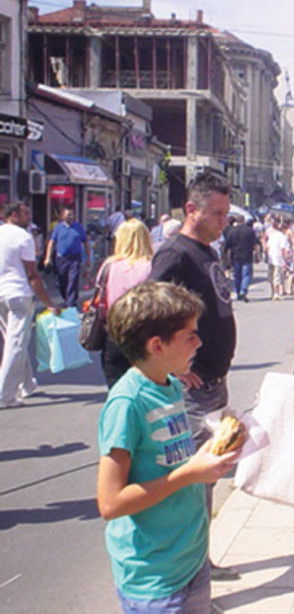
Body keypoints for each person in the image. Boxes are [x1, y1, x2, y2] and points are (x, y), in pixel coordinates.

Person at [97, 281, 239, 612]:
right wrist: (189, 475)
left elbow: (174, 462)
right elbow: (110, 503)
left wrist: (210, 460)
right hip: (155, 579)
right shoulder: (127, 403)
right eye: (189, 335)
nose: (199, 342)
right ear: (157, 345)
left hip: (190, 560)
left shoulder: (172, 384)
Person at [149, 172, 238, 581]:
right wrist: (177, 368)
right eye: (216, 213)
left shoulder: (207, 251)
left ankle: (199, 561)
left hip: (213, 385)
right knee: (192, 482)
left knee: (208, 478)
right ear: (191, 210)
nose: (224, 220)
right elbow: (150, 314)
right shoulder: (175, 254)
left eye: (225, 212)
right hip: (192, 390)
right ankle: (189, 574)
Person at [0, 202, 61, 409]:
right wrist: (49, 303)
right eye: (25, 213)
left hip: (1, 294)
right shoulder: (23, 237)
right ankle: (5, 394)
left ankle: (27, 384)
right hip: (18, 293)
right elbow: (32, 274)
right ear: (14, 215)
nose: (29, 216)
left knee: (14, 340)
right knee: (15, 344)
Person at [96, 219, 154, 389]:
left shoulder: (109, 265)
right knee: (147, 390)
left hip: (114, 333)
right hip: (144, 335)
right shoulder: (151, 267)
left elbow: (100, 294)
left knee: (117, 390)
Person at [44, 207, 92, 308]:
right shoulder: (58, 227)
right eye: (68, 214)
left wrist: (88, 258)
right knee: (61, 281)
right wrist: (47, 258)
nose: (70, 216)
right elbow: (51, 242)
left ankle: (71, 304)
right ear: (62, 216)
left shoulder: (78, 227)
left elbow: (86, 243)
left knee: (73, 280)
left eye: (72, 214)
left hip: (75, 258)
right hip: (61, 259)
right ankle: (67, 298)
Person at [224, 215, 257, 302]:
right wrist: (257, 255)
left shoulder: (232, 231)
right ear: (244, 221)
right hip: (247, 256)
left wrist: (225, 257)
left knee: (237, 275)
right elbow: (255, 244)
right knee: (246, 275)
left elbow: (227, 246)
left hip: (236, 256)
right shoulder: (250, 231)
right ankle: (243, 290)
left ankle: (238, 292)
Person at [265, 219, 290, 300]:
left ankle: (273, 293)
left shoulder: (272, 236)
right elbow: (283, 249)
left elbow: (267, 247)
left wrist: (266, 256)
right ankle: (276, 293)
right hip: (278, 258)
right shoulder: (282, 236)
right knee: (277, 276)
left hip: (271, 257)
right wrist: (284, 260)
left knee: (271, 276)